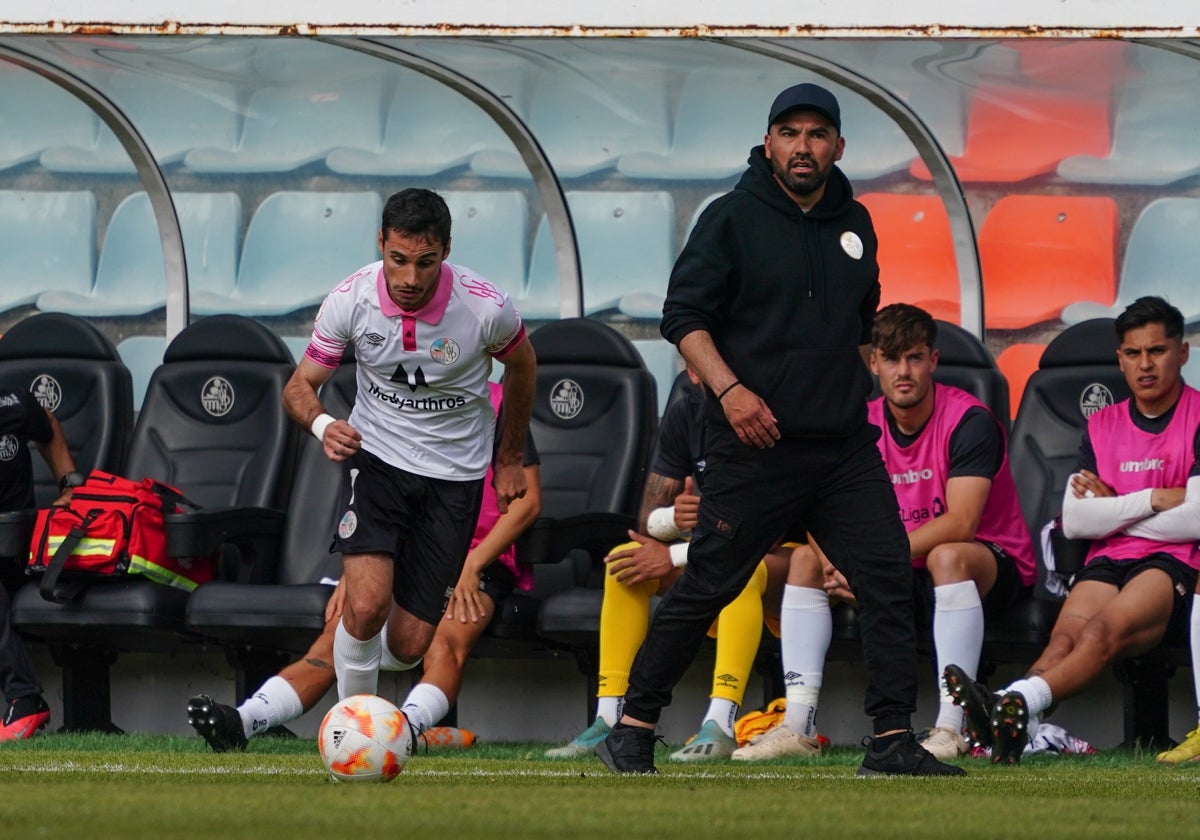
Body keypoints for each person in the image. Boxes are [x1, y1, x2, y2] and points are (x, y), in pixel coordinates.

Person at [596, 82, 962, 776]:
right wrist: (731, 394)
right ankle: (633, 725)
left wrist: (864, 398)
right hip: (754, 443)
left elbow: (861, 332)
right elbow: (684, 319)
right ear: (769, 143)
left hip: (843, 446)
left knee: (886, 576)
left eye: (817, 134)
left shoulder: (856, 224)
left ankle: (890, 740)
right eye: (789, 132)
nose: (803, 146)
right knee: (706, 582)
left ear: (838, 148)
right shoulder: (731, 218)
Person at [280, 188, 536, 730]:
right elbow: (300, 386)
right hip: (377, 462)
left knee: (408, 642)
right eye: (398, 260)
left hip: (455, 477)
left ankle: (361, 683)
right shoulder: (351, 299)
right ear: (381, 244)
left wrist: (507, 457)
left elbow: (523, 368)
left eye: (425, 262)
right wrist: (325, 424)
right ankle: (355, 733)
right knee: (367, 607)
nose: (411, 278)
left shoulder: (485, 307)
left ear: (446, 249)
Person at [733, 304, 1035, 762]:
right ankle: (798, 726)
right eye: (891, 359)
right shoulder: (858, 421)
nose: (904, 371)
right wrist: (841, 564)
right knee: (805, 559)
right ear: (872, 364)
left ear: (933, 360)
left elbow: (962, 522)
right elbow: (820, 505)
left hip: (984, 567)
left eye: (914, 358)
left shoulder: (969, 420)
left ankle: (952, 726)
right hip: (894, 569)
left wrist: (873, 564)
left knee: (948, 555)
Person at [189, 381, 540, 751]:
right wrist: (363, 568)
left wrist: (472, 563)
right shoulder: (394, 402)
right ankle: (242, 722)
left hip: (477, 560)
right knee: (337, 638)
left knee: (443, 644)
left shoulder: (498, 402)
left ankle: (401, 731)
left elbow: (528, 501)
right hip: (401, 550)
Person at [946, 296, 1200, 765]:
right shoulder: (1102, 424)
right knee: (1061, 641)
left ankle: (1013, 702)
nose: (1145, 364)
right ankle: (1016, 724)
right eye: (1133, 353)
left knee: (1100, 632)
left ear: (1182, 353)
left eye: (1157, 351)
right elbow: (1080, 521)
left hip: (1172, 563)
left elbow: (1196, 518)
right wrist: (1156, 497)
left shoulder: (1199, 415)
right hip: (1106, 557)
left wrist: (1116, 508)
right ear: (1119, 358)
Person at [545, 370, 789, 762]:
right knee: (623, 563)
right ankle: (609, 717)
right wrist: (675, 519)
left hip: (780, 560)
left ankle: (721, 724)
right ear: (693, 370)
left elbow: (767, 530)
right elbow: (646, 522)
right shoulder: (685, 413)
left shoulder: (761, 411)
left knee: (744, 570)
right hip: (707, 554)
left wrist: (683, 544)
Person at [0, 386, 82, 740]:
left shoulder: (14, 403)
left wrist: (69, 484)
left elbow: (46, 423)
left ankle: (24, 697)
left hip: (16, 548)